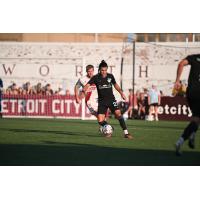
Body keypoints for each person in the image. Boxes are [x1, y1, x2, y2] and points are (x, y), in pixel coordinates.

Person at [83, 60, 133, 139]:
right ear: (99, 69)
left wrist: (121, 93)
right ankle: (109, 128)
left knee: (118, 114)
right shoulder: (96, 77)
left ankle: (126, 133)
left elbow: (115, 85)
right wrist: (84, 90)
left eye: (105, 70)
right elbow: (87, 85)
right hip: (102, 102)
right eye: (102, 70)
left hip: (111, 100)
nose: (104, 72)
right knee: (100, 120)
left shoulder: (110, 76)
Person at [175, 54, 200, 156]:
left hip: (190, 92)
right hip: (199, 93)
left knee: (196, 118)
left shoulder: (195, 57)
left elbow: (181, 63)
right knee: (196, 119)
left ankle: (192, 136)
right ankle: (180, 141)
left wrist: (177, 80)